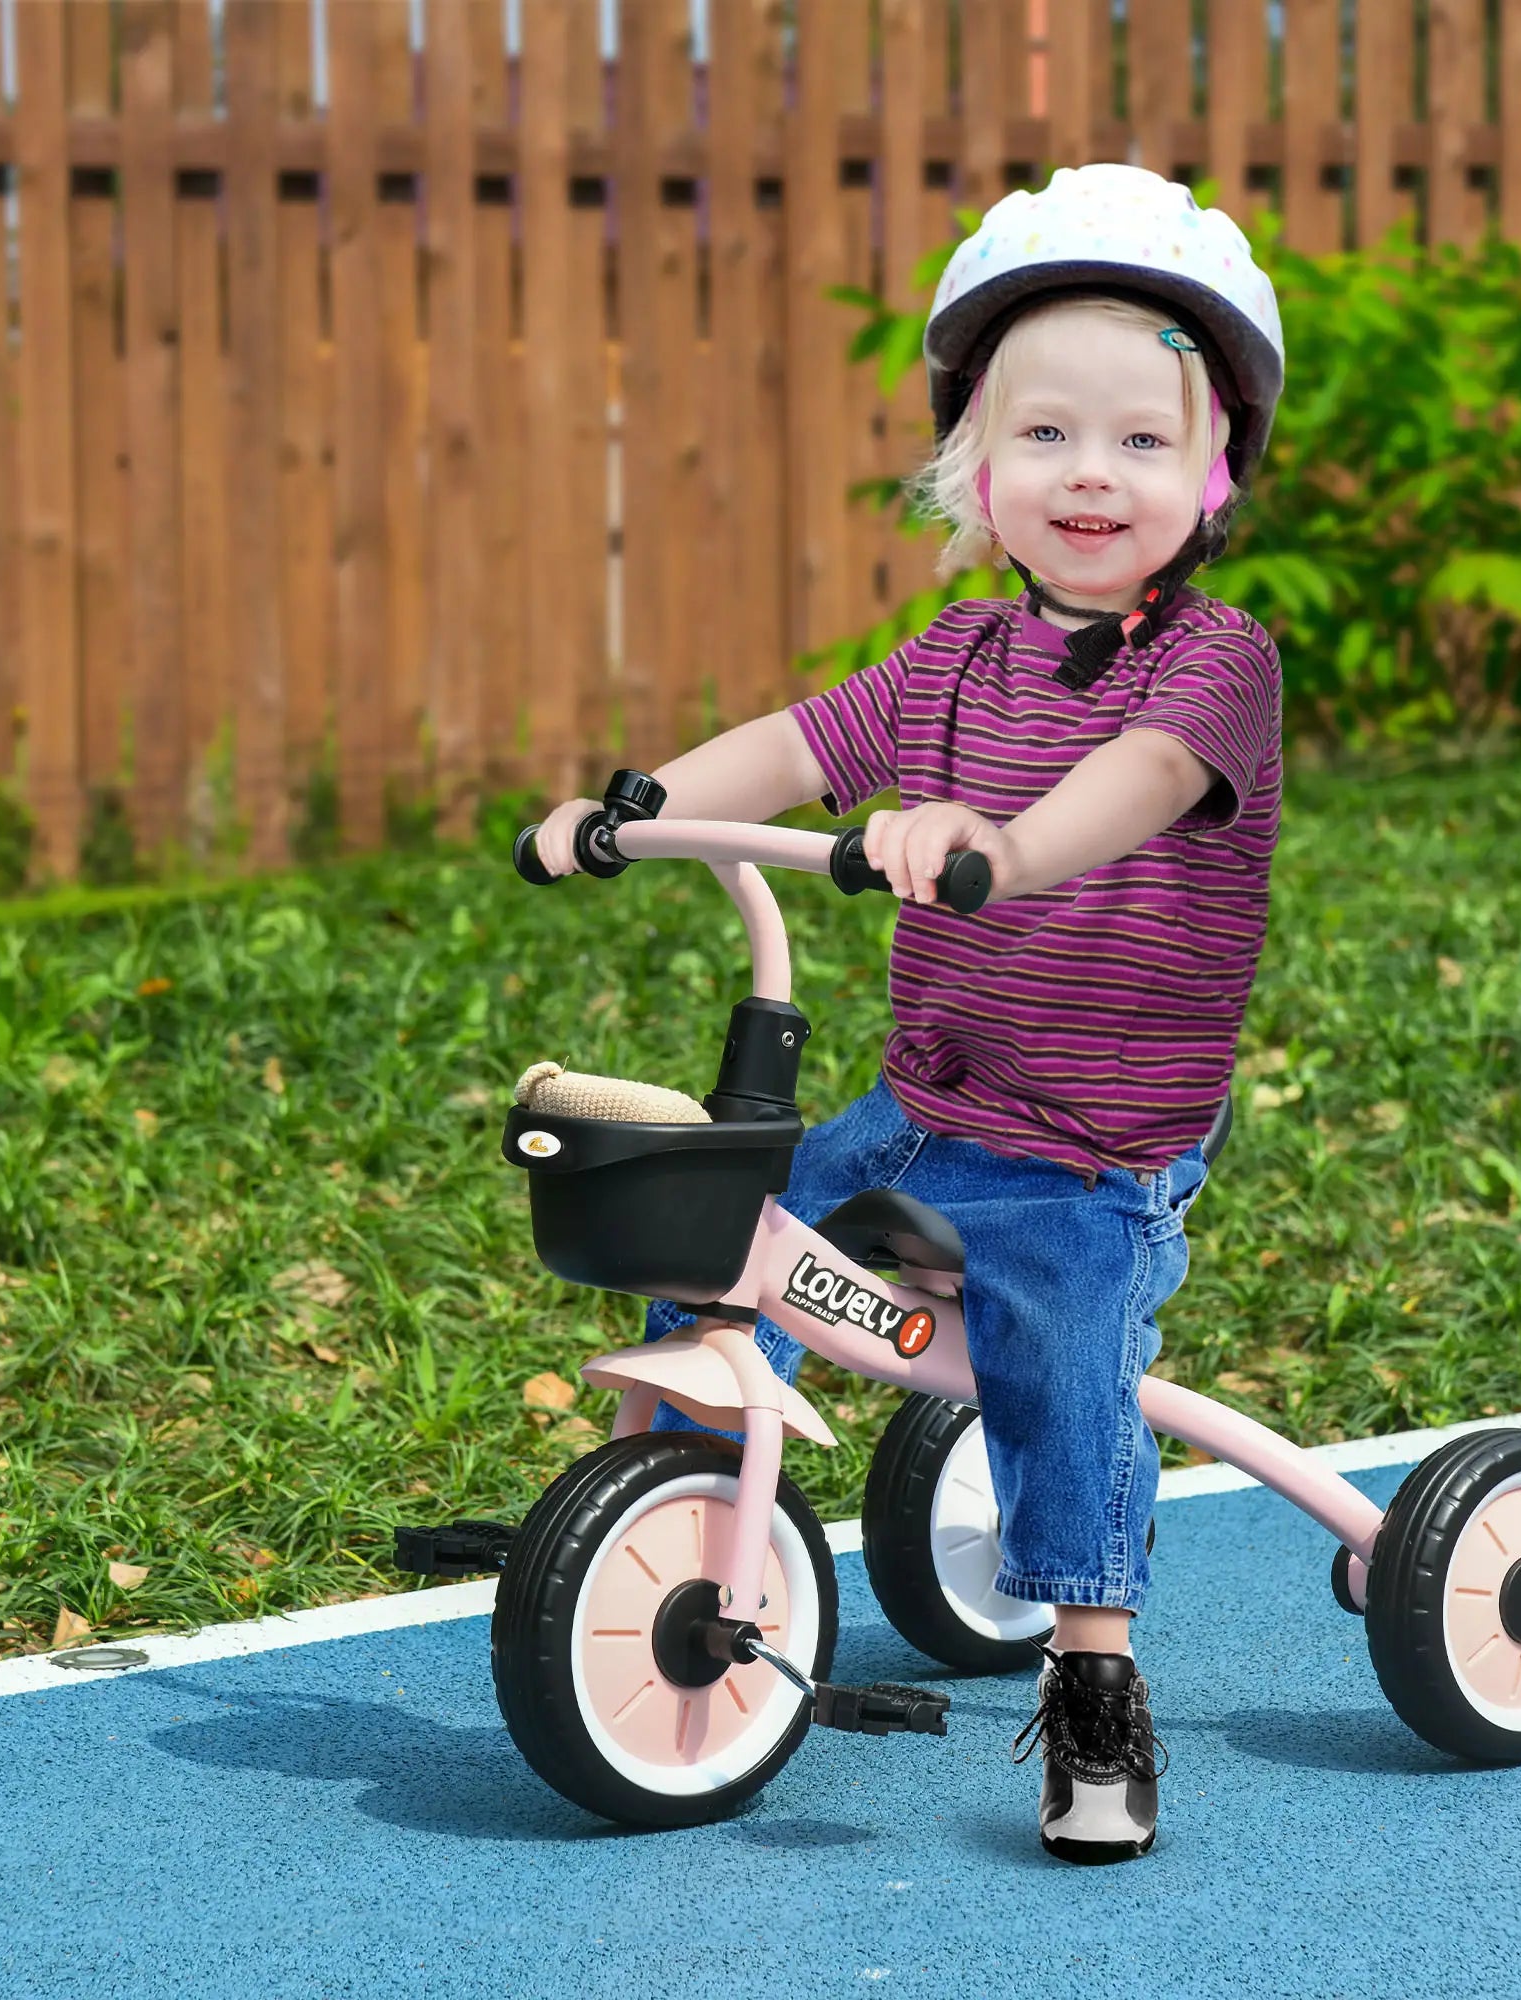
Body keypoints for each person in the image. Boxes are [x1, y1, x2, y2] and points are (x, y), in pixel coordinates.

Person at [533, 163, 1286, 1864]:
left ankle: (1094, 1682)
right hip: (937, 1099)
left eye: (1142, 441)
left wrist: (995, 846)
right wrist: (636, 808)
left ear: (1215, 468)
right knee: (738, 1232)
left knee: (1056, 1356)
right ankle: (676, 1485)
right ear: (979, 466)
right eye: (1046, 437)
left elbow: (1134, 786)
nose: (1091, 474)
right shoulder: (951, 657)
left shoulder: (1214, 665)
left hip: (1099, 1141)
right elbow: (804, 747)